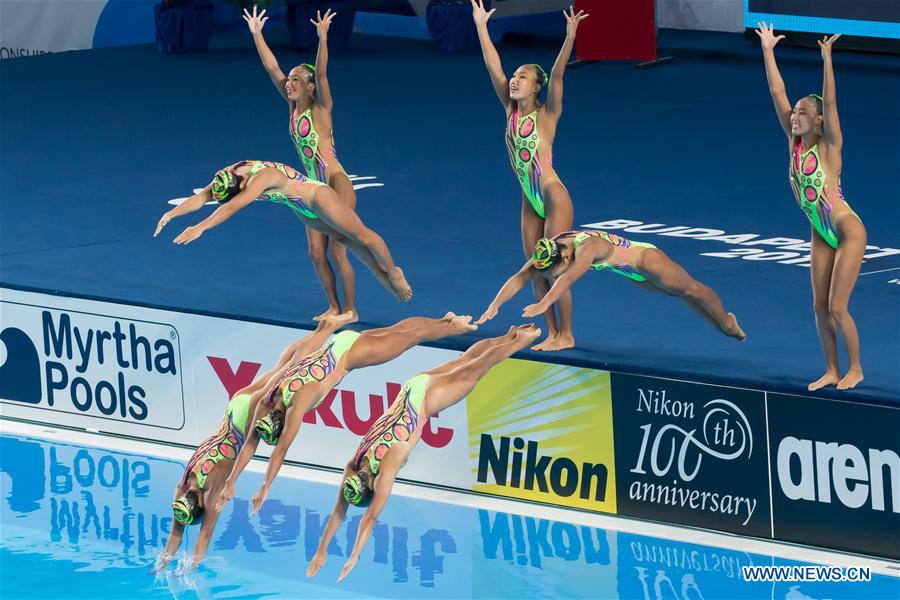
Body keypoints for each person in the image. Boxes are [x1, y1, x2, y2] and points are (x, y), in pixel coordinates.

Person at [307, 324, 541, 582]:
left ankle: (522, 340)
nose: (361, 477)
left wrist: (348, 555)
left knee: (476, 368)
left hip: (428, 398)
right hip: (412, 387)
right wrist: (324, 551)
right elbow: (344, 512)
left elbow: (366, 518)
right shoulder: (357, 462)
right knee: (467, 361)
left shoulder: (388, 463)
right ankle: (508, 335)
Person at [214, 312, 478, 514]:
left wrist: (265, 486)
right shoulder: (270, 400)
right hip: (340, 341)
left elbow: (278, 449)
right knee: (402, 331)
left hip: (353, 354)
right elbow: (252, 443)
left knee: (410, 338)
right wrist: (231, 480)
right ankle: (446, 321)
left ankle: (454, 327)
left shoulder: (301, 401)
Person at [153, 312, 352, 572]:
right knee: (283, 365)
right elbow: (177, 532)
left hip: (245, 418)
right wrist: (163, 563)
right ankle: (324, 330)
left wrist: (190, 565)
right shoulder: (184, 487)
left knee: (289, 366)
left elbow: (204, 534)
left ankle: (328, 330)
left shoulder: (211, 484)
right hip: (234, 409)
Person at [472, 0, 588, 351]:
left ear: (537, 87)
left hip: (552, 196)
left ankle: (566, 334)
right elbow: (493, 68)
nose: (515, 79)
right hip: (529, 199)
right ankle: (551, 332)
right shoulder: (510, 109)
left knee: (557, 268)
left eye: (523, 77)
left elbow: (558, 74)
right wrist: (480, 27)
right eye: (515, 75)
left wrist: (569, 37)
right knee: (537, 268)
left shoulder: (547, 114)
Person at [756, 23, 865, 390]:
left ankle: (856, 369)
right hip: (820, 233)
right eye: (794, 113)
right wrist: (768, 50)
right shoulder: (794, 143)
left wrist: (827, 59)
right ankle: (832, 369)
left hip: (848, 230)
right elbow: (776, 91)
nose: (794, 115)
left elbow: (830, 103)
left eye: (802, 112)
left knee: (837, 307)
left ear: (817, 121)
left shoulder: (829, 147)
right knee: (818, 307)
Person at [154, 159, 412, 302]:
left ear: (242, 183)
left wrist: (201, 227)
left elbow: (232, 208)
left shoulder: (261, 178)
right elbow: (202, 197)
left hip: (317, 198)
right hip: (300, 208)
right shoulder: (227, 175)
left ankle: (393, 271)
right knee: (344, 240)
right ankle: (379, 275)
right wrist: (171, 214)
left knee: (362, 235)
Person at [245, 6, 359, 322]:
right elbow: (271, 68)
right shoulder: (293, 108)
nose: (290, 81)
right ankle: (334, 307)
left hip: (336, 184)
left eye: (297, 78)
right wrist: (257, 34)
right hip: (310, 187)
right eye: (290, 77)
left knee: (338, 250)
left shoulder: (321, 110)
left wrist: (322, 37)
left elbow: (321, 73)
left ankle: (350, 310)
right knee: (315, 253)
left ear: (310, 88)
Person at [476, 231, 745, 340]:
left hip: (644, 261)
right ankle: (720, 324)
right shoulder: (554, 246)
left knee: (692, 290)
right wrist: (494, 305)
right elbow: (520, 276)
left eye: (553, 272)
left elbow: (568, 279)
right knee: (679, 295)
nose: (552, 277)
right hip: (629, 272)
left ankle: (727, 322)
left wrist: (544, 303)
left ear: (566, 256)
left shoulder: (585, 249)